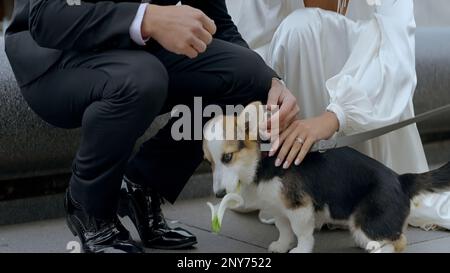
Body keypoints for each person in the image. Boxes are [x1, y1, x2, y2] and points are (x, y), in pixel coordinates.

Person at [5, 0, 300, 253]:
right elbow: (45, 16)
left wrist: (271, 81)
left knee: (248, 76)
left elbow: (217, 23)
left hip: (133, 49)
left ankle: (142, 186)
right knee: (143, 78)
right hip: (53, 54)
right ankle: (88, 204)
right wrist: (146, 18)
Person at [227, 0, 450, 230]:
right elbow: (250, 45)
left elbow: (398, 62)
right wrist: (274, 87)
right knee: (299, 28)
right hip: (291, 106)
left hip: (371, 108)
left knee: (314, 26)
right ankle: (303, 189)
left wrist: (335, 117)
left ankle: (363, 189)